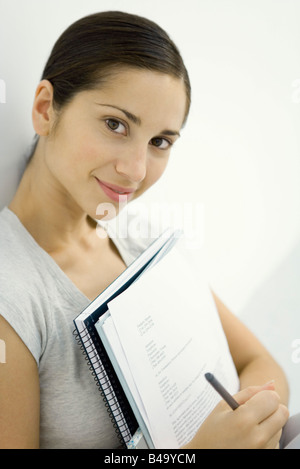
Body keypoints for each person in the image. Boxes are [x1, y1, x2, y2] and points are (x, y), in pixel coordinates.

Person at [0, 10, 297, 449]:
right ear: (46, 109)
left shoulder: (145, 242)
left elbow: (261, 362)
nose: (136, 170)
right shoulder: (14, 298)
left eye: (160, 142)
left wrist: (253, 425)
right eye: (116, 125)